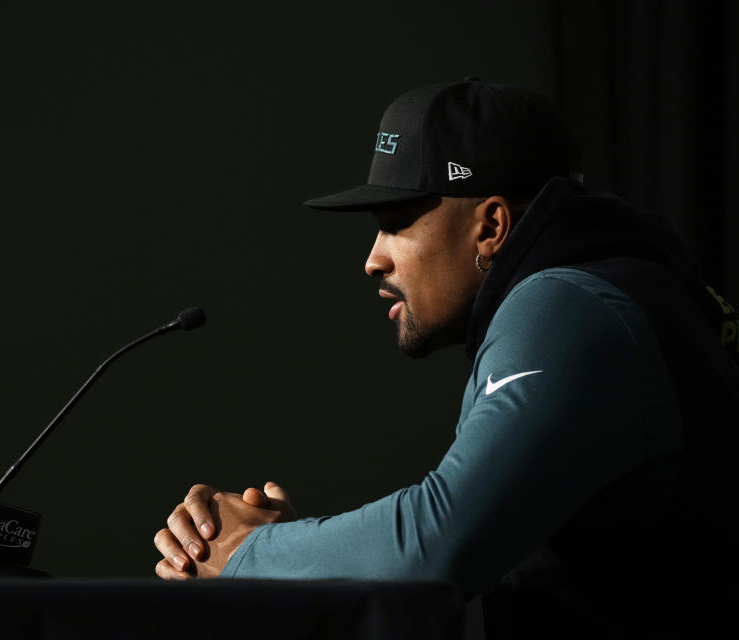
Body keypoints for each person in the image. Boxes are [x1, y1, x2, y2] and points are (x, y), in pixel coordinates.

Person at [153, 79, 739, 637]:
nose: (373, 260)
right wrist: (293, 557)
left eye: (395, 223)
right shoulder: (617, 287)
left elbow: (435, 547)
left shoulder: (565, 304)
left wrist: (244, 551)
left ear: (490, 226)